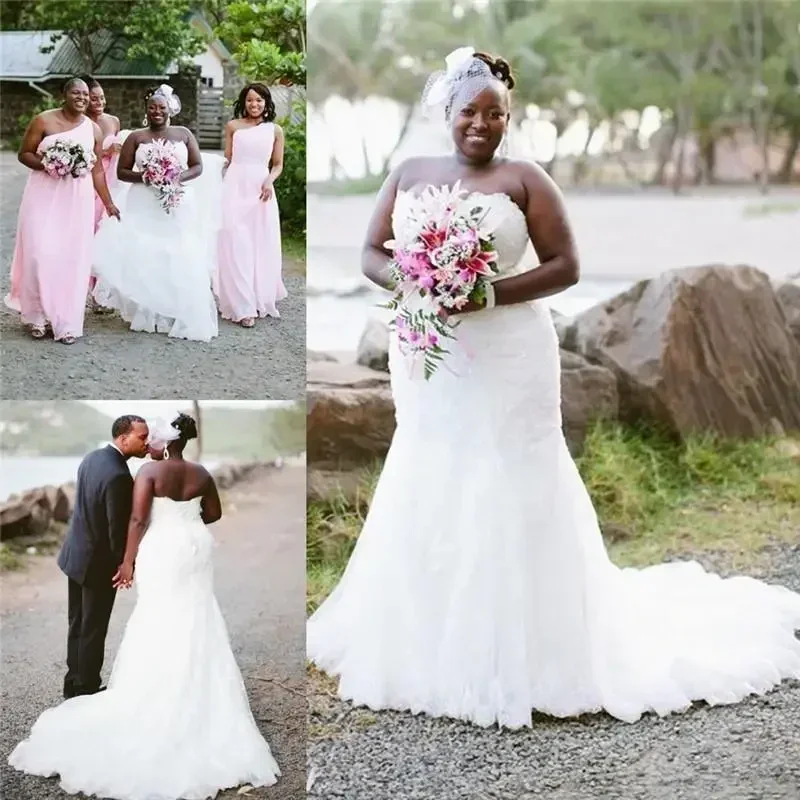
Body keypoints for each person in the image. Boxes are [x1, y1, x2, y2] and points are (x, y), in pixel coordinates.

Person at [307, 47, 800, 729]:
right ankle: (427, 635)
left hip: (509, 352)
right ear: (446, 111)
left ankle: (538, 645)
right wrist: (418, 284)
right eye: (470, 112)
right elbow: (369, 254)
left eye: (496, 114)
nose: (482, 124)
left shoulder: (526, 178)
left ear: (509, 118)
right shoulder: (410, 173)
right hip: (429, 349)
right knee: (434, 462)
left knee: (512, 471)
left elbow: (567, 266)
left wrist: (483, 293)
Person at [8, 413, 281, 797]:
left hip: (158, 550)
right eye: (142, 436)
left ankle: (116, 686)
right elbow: (214, 513)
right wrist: (188, 520)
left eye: (151, 437)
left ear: (165, 442)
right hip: (193, 547)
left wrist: (127, 561)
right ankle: (188, 691)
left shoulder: (140, 472)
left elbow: (136, 520)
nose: (147, 442)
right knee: (196, 613)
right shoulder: (202, 473)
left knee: (154, 615)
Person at [92, 84, 221, 341]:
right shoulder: (136, 137)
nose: (157, 111)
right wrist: (148, 176)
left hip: (178, 201)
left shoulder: (183, 134)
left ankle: (176, 307)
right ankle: (148, 309)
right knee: (146, 250)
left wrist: (175, 177)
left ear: (169, 109)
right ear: (146, 111)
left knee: (178, 249)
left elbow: (197, 166)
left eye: (161, 107)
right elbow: (122, 172)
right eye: (152, 107)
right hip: (143, 202)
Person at [4, 76, 120, 344]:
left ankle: (65, 321)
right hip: (42, 195)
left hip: (75, 199)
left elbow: (98, 171)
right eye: (76, 93)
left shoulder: (93, 129)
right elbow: (25, 154)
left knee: (71, 258)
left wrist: (109, 203)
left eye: (86, 94)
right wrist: (50, 163)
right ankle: (35, 316)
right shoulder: (43, 120)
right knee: (38, 253)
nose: (82, 98)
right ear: (64, 95)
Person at [56, 415, 149, 699]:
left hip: (75, 556)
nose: (147, 443)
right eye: (142, 437)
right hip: (97, 565)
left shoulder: (92, 458)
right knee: (94, 628)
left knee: (77, 623)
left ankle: (72, 683)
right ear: (123, 438)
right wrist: (125, 564)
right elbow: (116, 530)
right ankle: (86, 689)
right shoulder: (119, 476)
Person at [217, 82, 287, 327]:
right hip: (236, 186)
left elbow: (278, 164)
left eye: (259, 100)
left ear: (266, 103)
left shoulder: (275, 130)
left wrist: (269, 179)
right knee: (236, 242)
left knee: (259, 243)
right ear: (243, 103)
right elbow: (228, 157)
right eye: (249, 100)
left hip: (261, 190)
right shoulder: (233, 126)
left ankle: (258, 297)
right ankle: (242, 305)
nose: (254, 104)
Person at [81, 74, 124, 232]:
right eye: (94, 99)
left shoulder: (113, 121)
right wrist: (106, 151)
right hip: (90, 175)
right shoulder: (82, 123)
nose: (100, 102)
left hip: (111, 175)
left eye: (102, 97)